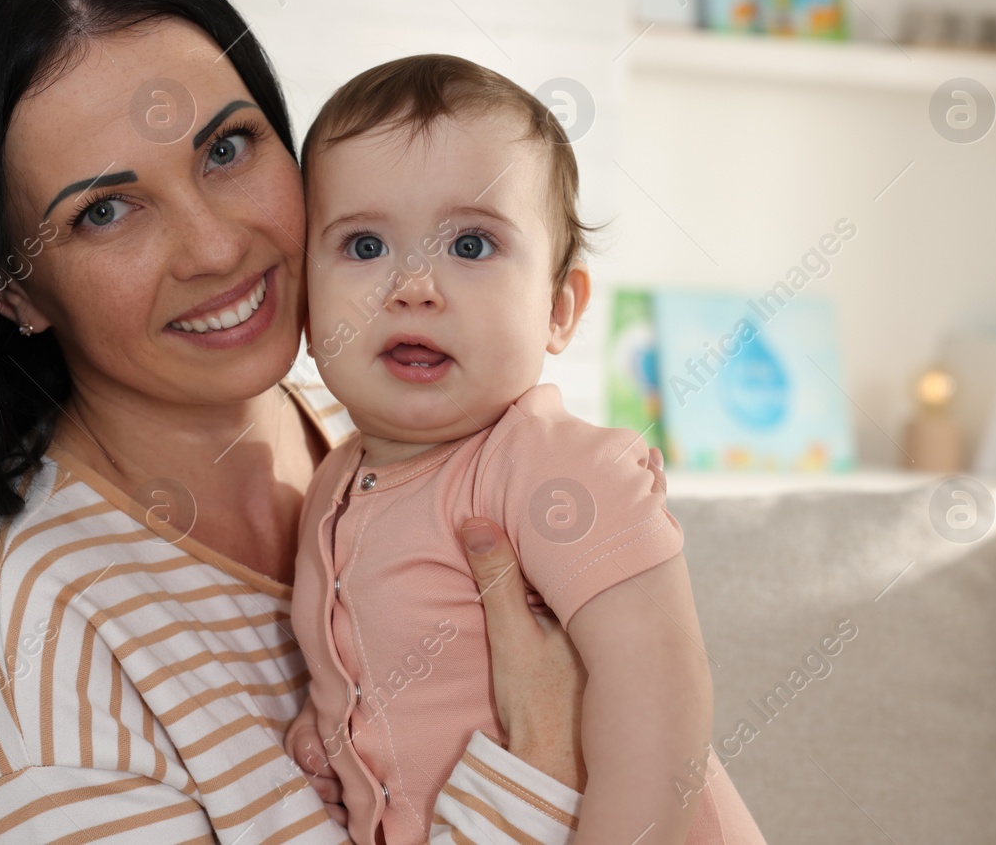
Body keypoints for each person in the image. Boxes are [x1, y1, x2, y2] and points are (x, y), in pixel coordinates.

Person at [0, 0, 606, 845]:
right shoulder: (33, 658)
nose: (215, 248)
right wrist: (547, 759)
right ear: (11, 287)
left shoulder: (384, 422)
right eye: (106, 211)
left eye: (227, 148)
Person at [283, 55, 765, 845]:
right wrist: (327, 725)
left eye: (471, 246)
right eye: (365, 245)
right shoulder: (331, 481)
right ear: (305, 295)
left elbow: (659, 702)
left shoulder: (554, 467)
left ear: (558, 308)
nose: (414, 285)